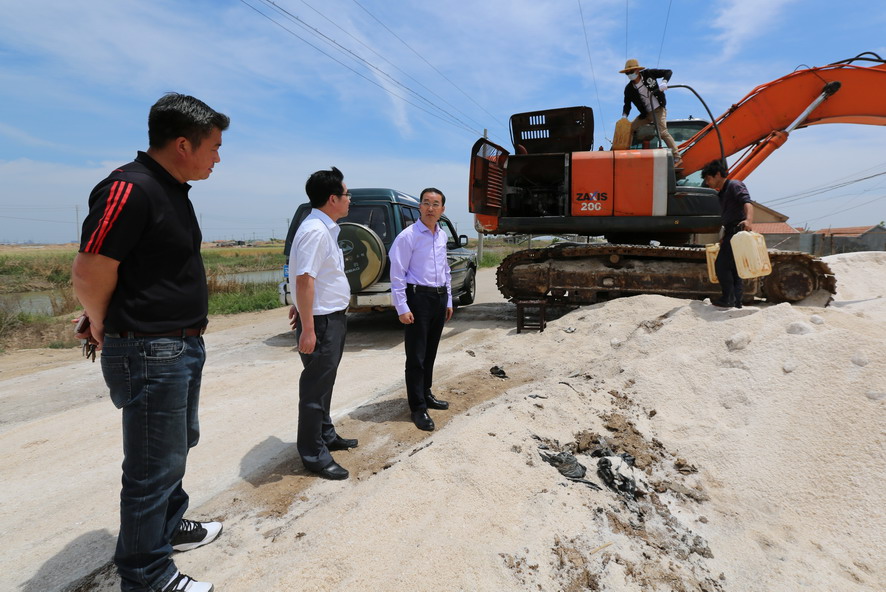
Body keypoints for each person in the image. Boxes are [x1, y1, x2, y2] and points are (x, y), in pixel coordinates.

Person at [71, 93, 229, 592]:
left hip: (178, 346)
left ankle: (168, 526)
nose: (218, 158)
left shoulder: (172, 190)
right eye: (214, 147)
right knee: (150, 467)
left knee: (175, 451)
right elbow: (90, 270)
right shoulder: (130, 188)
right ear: (183, 144)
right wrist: (102, 323)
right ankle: (146, 576)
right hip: (149, 350)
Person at [288, 166, 357, 480]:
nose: (349, 199)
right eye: (346, 194)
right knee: (314, 390)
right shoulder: (316, 231)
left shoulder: (324, 228)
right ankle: (313, 455)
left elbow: (311, 276)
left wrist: (299, 305)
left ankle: (325, 435)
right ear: (332, 198)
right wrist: (308, 327)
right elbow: (304, 279)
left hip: (330, 318)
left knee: (324, 385)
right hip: (322, 322)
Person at [389, 188, 453, 432]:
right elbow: (397, 274)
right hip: (418, 298)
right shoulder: (408, 236)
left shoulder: (441, 235)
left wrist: (448, 300)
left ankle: (426, 393)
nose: (430, 208)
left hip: (438, 297)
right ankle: (417, 407)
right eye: (426, 203)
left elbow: (445, 269)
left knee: (430, 352)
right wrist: (402, 306)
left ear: (442, 209)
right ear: (419, 207)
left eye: (435, 204)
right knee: (416, 355)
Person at [701, 159, 754, 308]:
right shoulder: (722, 193)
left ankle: (727, 299)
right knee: (734, 268)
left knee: (722, 266)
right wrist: (725, 237)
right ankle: (736, 302)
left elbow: (747, 203)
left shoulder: (734, 185)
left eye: (708, 178)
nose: (707, 183)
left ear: (718, 174)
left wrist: (749, 221)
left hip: (738, 232)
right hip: (730, 232)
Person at [620, 58, 683, 168]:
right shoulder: (629, 89)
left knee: (662, 132)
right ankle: (626, 155)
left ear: (637, 71)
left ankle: (677, 157)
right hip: (646, 114)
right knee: (629, 128)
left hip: (658, 110)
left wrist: (664, 82)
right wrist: (624, 116)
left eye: (631, 72)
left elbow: (668, 72)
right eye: (627, 73)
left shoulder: (649, 74)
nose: (629, 75)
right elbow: (627, 104)